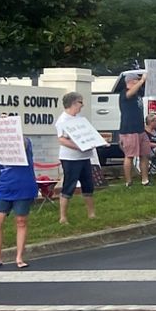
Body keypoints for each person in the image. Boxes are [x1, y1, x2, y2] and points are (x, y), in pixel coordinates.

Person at [0, 138, 37, 269]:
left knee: (21, 221)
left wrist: (12, 135)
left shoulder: (25, 141)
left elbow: (23, 145)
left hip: (23, 186)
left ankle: (19, 257)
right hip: (4, 188)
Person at [55, 92, 97, 225]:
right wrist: (78, 147)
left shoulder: (79, 118)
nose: (82, 105)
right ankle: (63, 217)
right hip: (70, 158)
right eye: (80, 102)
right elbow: (61, 140)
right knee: (69, 185)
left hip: (84, 157)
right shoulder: (62, 120)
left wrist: (97, 142)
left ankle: (91, 213)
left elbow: (88, 133)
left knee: (88, 184)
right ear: (73, 103)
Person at [117, 72, 151, 187]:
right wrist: (142, 80)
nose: (139, 82)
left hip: (140, 129)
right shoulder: (124, 93)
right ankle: (128, 181)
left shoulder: (138, 93)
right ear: (131, 81)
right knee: (129, 155)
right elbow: (129, 94)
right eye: (137, 80)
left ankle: (145, 180)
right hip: (129, 130)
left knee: (145, 154)